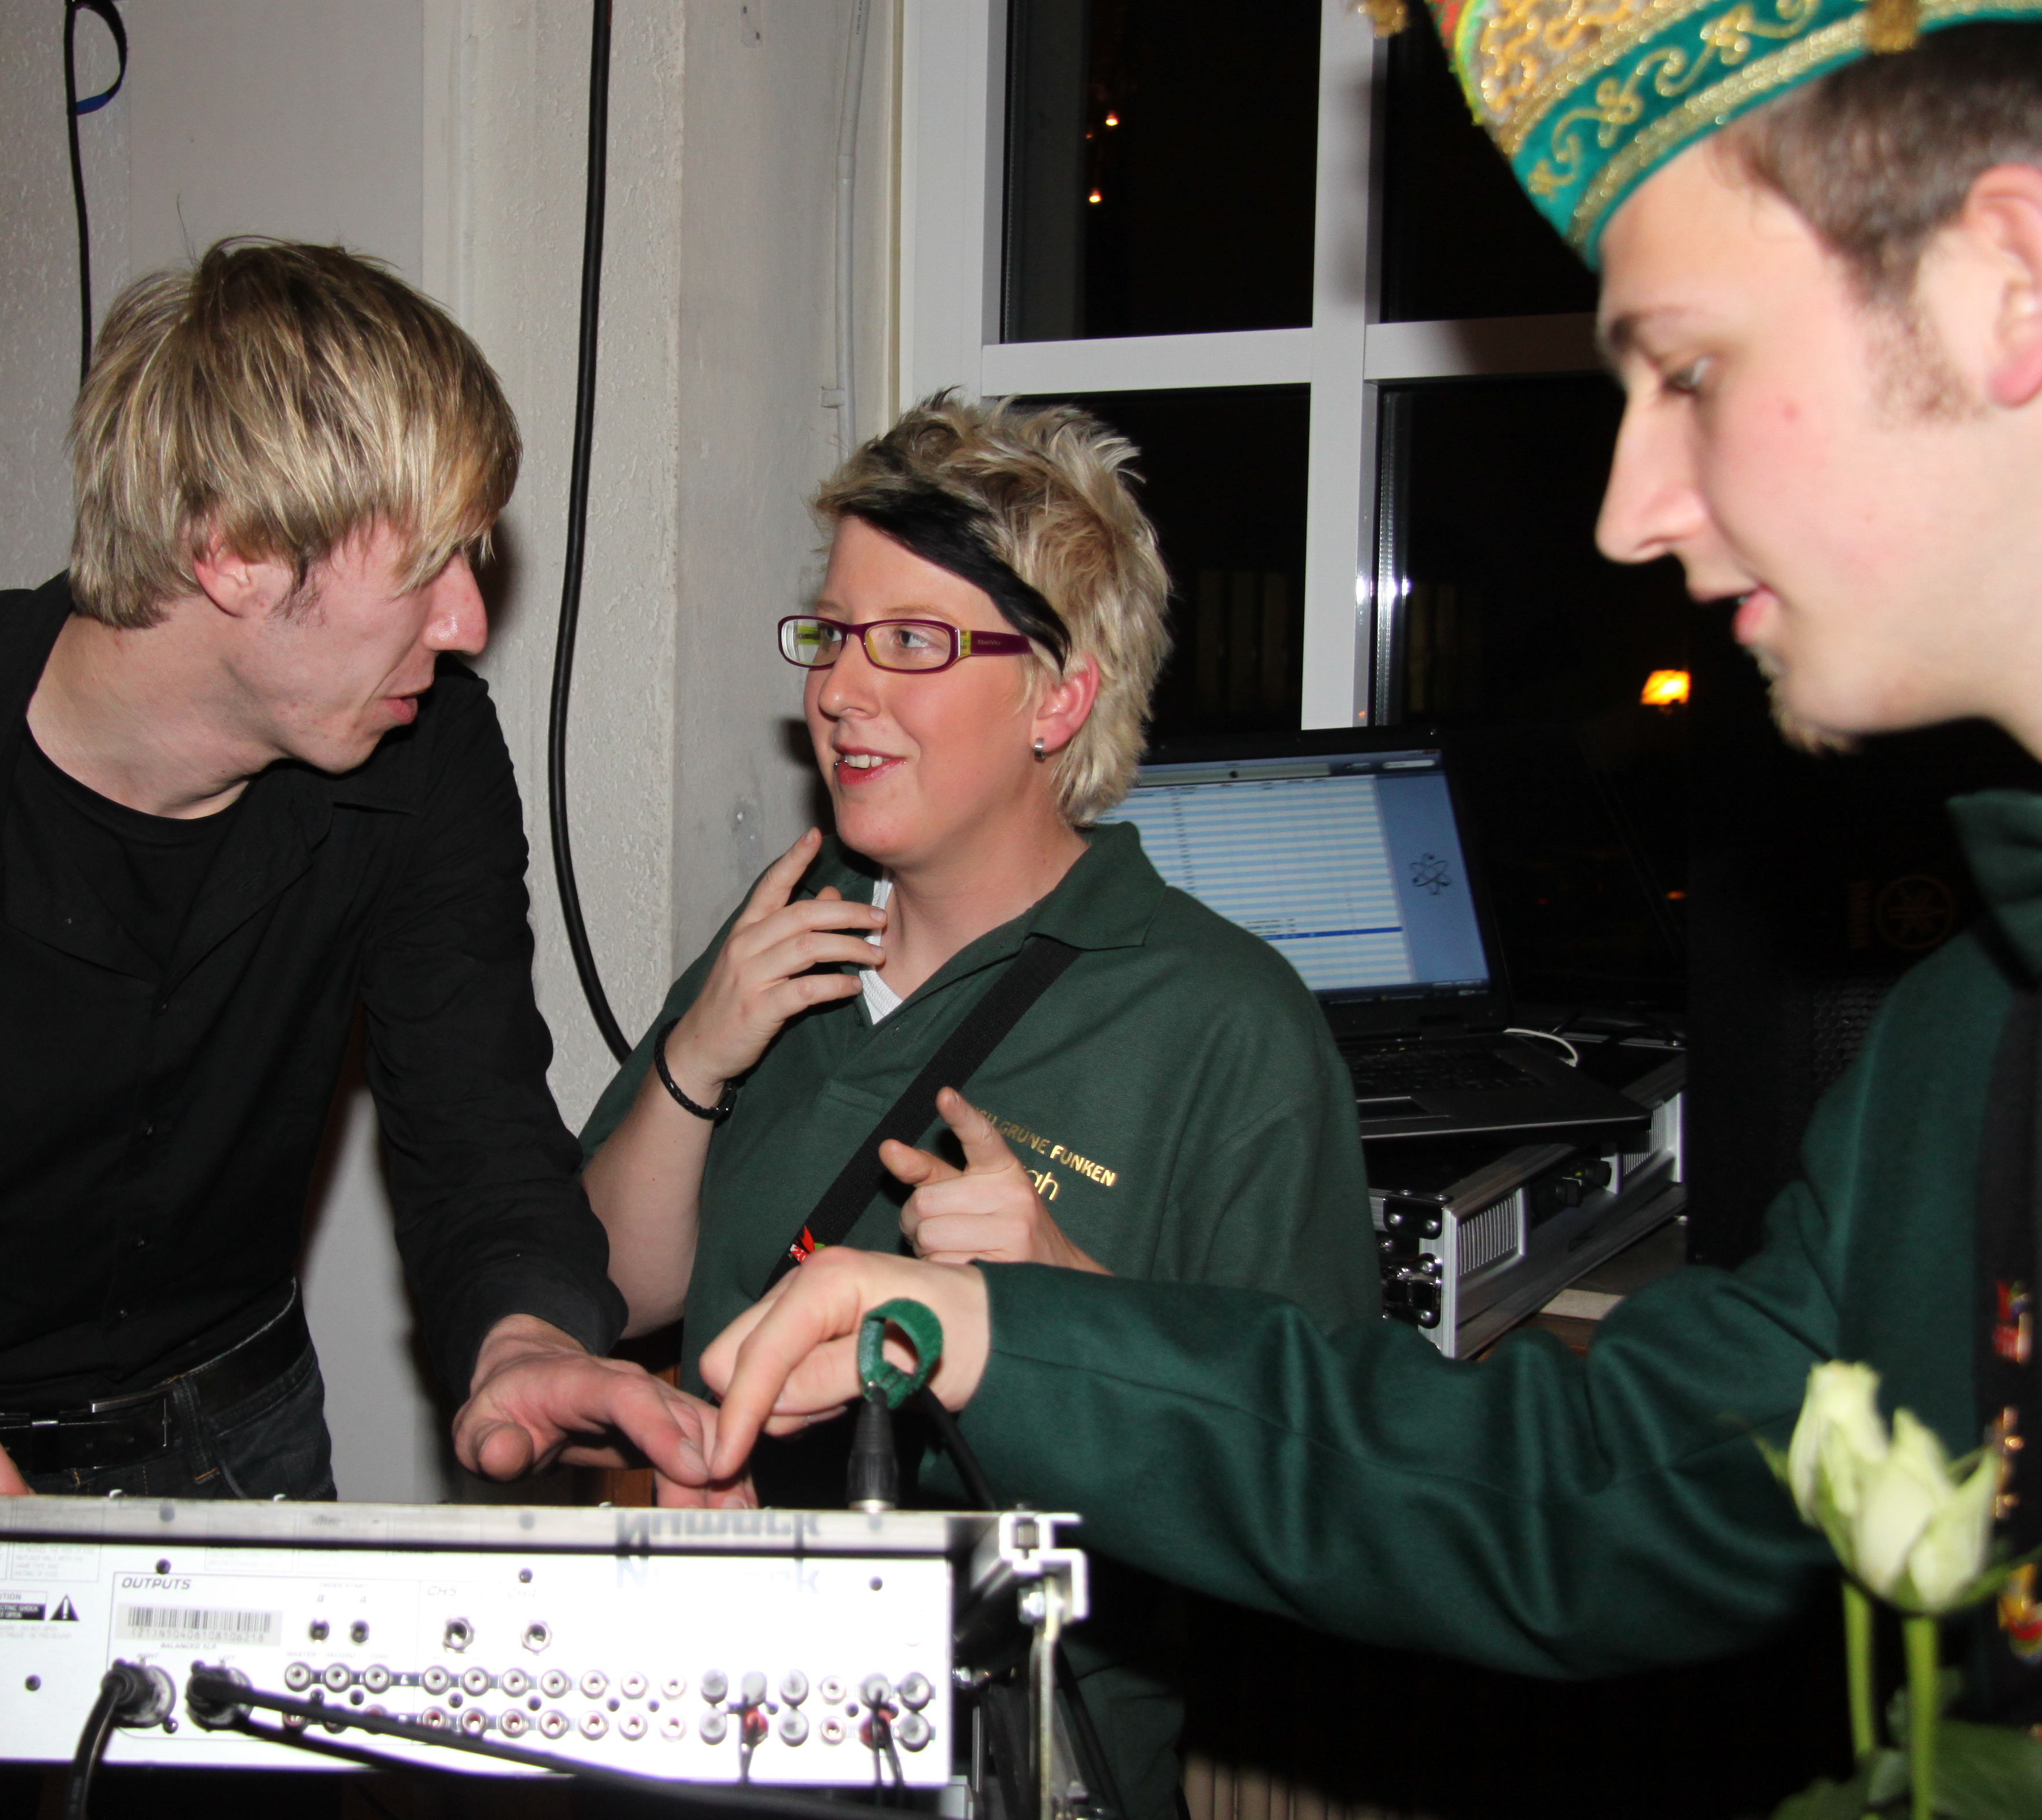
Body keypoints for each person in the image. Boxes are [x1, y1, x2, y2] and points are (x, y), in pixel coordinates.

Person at [699, 1, 2042, 1728]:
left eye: (1692, 370)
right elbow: (1599, 1492)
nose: (1629, 511)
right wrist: (993, 1335)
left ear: (2011, 283)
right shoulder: (1964, 1046)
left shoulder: (1217, 1015)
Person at [0, 240, 723, 1504]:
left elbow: (477, 1128)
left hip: (242, 1445)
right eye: (430, 562)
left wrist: (528, 1338)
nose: (469, 622)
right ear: (232, 549)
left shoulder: (426, 753)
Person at [578, 396, 1381, 1815]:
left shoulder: (1224, 1024)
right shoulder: (790, 927)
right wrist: (698, 1057)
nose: (840, 689)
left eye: (912, 642)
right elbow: (609, 1290)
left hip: (1015, 1766)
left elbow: (1330, 1503)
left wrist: (1064, 1299)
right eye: (834, 634)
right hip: (705, 1733)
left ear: (1058, 697)